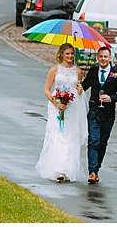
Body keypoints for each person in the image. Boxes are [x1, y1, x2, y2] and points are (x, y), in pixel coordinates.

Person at [35, 43, 89, 182]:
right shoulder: (54, 70)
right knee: (58, 133)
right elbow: (47, 90)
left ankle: (66, 168)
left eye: (72, 54)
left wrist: (79, 90)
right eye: (67, 54)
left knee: (70, 134)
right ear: (61, 55)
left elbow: (78, 86)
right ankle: (58, 169)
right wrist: (57, 103)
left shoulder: (78, 70)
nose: (70, 56)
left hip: (72, 105)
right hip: (56, 105)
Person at [82, 46, 117, 183]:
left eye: (105, 57)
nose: (103, 59)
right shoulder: (93, 71)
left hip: (108, 114)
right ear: (97, 57)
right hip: (94, 112)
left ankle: (97, 169)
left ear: (110, 58)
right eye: (101, 56)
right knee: (93, 141)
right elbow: (84, 86)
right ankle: (92, 171)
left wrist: (111, 98)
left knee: (102, 143)